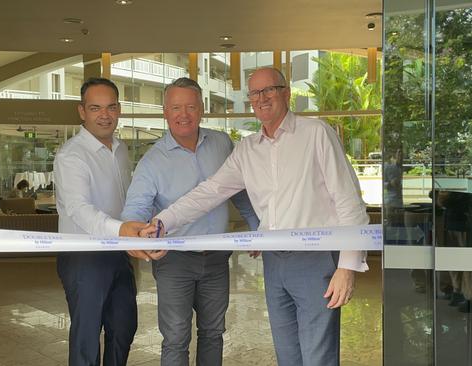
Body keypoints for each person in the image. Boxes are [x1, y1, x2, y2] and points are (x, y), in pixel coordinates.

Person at [143, 68, 368, 366]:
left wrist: (347, 266)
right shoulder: (248, 149)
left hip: (315, 261)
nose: (262, 98)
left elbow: (348, 201)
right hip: (274, 263)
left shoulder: (316, 133)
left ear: (286, 93)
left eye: (269, 90)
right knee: (287, 354)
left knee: (318, 356)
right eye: (255, 93)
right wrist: (163, 222)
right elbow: (209, 192)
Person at [122, 77, 259, 366]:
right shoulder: (152, 161)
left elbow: (240, 192)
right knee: (176, 337)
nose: (183, 115)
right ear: (165, 112)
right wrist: (135, 234)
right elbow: (135, 209)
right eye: (175, 107)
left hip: (217, 259)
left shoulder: (222, 143)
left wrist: (259, 229)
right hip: (174, 262)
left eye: (190, 107)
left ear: (202, 109)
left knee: (213, 332)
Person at [53, 77, 148, 366]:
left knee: (123, 326)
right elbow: (79, 209)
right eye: (95, 108)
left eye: (111, 107)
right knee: (87, 335)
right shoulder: (71, 155)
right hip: (85, 257)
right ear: (82, 111)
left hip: (119, 252)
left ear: (119, 109)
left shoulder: (120, 150)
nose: (104, 115)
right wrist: (121, 229)